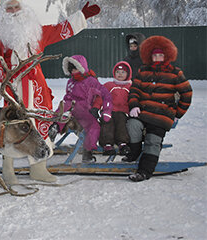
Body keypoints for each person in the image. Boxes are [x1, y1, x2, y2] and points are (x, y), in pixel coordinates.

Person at [0, 0, 101, 184]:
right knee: (13, 126)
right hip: (15, 87)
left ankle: (38, 168)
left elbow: (60, 30)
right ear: (3, 13)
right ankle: (8, 170)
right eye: (9, 8)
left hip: (37, 86)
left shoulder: (37, 31)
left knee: (41, 123)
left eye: (17, 7)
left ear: (23, 9)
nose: (14, 11)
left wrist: (81, 15)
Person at [124, 35, 192, 182]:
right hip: (143, 112)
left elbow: (187, 93)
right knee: (132, 125)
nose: (158, 58)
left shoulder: (175, 72)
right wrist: (134, 105)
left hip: (161, 116)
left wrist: (178, 114)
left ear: (167, 55)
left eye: (161, 55)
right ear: (150, 56)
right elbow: (134, 90)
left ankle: (144, 171)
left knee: (152, 141)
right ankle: (135, 152)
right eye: (155, 55)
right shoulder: (143, 71)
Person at [58, 55, 113, 162]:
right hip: (70, 110)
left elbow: (105, 94)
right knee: (64, 107)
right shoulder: (71, 82)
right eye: (71, 69)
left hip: (84, 112)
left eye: (75, 68)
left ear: (82, 67)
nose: (73, 72)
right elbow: (67, 98)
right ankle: (53, 129)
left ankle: (87, 152)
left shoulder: (90, 81)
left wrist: (106, 111)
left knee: (94, 127)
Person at [92, 61, 132, 156]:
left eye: (123, 72)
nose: (120, 74)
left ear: (128, 74)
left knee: (121, 122)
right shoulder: (109, 85)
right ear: (114, 73)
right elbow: (101, 97)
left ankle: (122, 143)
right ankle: (107, 144)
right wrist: (96, 107)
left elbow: (134, 99)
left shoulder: (130, 87)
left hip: (123, 112)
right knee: (106, 122)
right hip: (108, 111)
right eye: (118, 72)